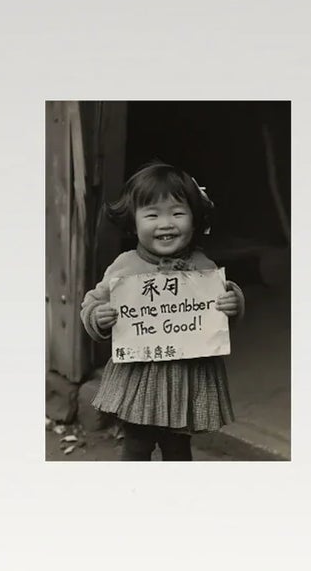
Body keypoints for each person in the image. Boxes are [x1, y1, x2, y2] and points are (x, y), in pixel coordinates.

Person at [80, 161, 245, 461]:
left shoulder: (203, 268)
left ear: (195, 220)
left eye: (178, 213)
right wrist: (98, 316)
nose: (166, 223)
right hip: (138, 380)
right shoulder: (124, 267)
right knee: (136, 447)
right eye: (152, 214)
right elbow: (91, 302)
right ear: (134, 222)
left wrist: (232, 303)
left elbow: (218, 316)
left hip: (185, 382)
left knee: (178, 449)